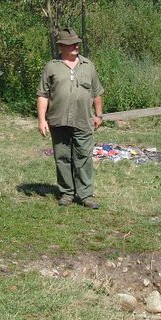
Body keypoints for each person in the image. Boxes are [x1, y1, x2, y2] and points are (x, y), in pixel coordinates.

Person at [37, 27, 105, 209]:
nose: (75, 46)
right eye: (71, 44)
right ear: (61, 46)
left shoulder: (88, 66)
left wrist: (99, 115)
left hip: (84, 120)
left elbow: (97, 93)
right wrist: (42, 120)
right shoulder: (52, 66)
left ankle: (85, 195)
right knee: (63, 157)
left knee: (84, 157)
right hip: (58, 120)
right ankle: (67, 193)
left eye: (76, 43)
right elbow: (42, 95)